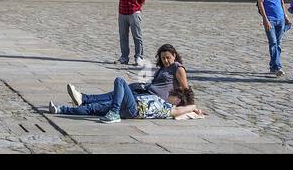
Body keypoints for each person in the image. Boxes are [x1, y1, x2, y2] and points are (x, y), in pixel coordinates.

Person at [58, 43, 194, 116]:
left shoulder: (178, 67)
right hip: (144, 92)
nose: (165, 60)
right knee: (115, 94)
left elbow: (186, 89)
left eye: (168, 57)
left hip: (151, 97)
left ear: (174, 56)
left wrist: (191, 107)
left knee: (114, 97)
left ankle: (85, 101)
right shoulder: (162, 68)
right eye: (163, 57)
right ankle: (84, 99)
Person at [256, 0, 288, 77]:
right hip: (270, 19)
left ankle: (273, 65)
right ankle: (277, 67)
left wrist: (285, 15)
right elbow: (260, 2)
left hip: (280, 18)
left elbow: (281, 1)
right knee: (273, 43)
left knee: (278, 43)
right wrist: (265, 19)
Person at [117, 0, 146, 66]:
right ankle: (124, 57)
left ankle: (139, 57)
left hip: (133, 11)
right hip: (122, 11)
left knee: (137, 35)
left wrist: (137, 7)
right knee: (123, 36)